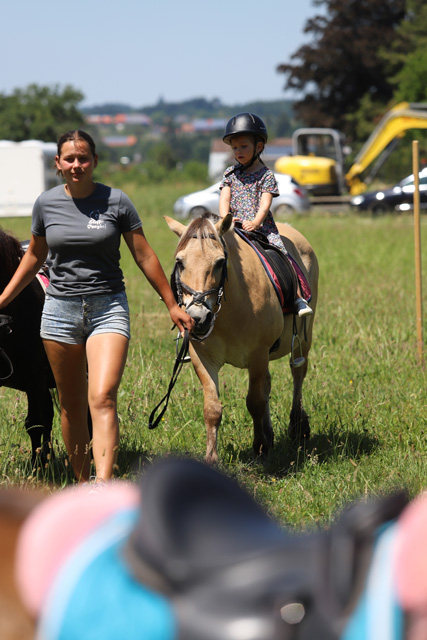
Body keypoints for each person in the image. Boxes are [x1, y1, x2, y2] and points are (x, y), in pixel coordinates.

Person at [0, 130, 194, 484]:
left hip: (108, 308)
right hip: (59, 311)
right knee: (71, 404)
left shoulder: (116, 201)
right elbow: (34, 257)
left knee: (102, 397)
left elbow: (144, 255)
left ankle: (102, 485)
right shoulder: (46, 204)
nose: (77, 165)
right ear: (58, 163)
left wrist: (172, 303)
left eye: (83, 158)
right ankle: (81, 482)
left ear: (95, 161)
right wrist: (1, 300)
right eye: (69, 159)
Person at [219, 113, 313, 317]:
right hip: (233, 226)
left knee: (283, 256)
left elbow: (265, 204)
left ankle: (297, 298)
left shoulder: (266, 176)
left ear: (258, 147)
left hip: (261, 227)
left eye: (243, 146)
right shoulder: (230, 174)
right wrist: (226, 219)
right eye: (235, 148)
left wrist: (255, 222)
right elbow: (224, 200)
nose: (238, 151)